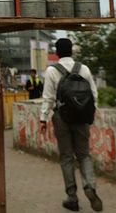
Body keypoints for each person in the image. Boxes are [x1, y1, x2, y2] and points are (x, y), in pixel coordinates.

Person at [40, 38, 103, 212]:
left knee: (67, 157)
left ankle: (72, 197)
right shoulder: (84, 69)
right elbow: (94, 95)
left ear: (57, 53)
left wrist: (43, 119)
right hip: (82, 118)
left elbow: (48, 98)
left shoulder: (52, 71)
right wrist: (89, 114)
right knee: (84, 155)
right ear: (72, 52)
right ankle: (90, 186)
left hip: (62, 118)